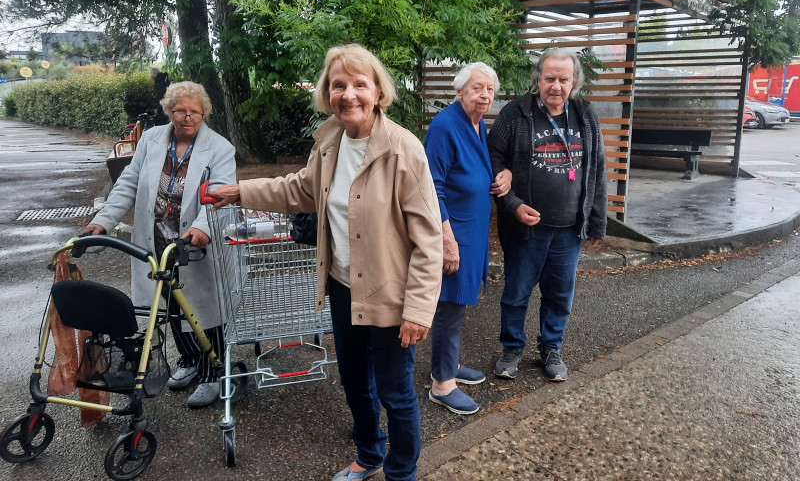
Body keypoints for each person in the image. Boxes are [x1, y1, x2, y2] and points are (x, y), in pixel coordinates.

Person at [208, 44, 443, 481]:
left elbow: (428, 238)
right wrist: (241, 191)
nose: (348, 94)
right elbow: (300, 189)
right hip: (342, 285)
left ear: (377, 92)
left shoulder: (402, 150)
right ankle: (369, 455)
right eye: (339, 85)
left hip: (390, 295)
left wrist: (418, 309)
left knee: (395, 392)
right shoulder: (330, 141)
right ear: (327, 92)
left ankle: (401, 473)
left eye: (359, 84)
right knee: (355, 383)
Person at [83, 81, 236, 408]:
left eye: (195, 111)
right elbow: (127, 185)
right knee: (168, 305)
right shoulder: (152, 140)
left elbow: (220, 195)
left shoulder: (219, 148)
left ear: (204, 112)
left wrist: (203, 228)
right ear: (169, 111)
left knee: (204, 309)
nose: (188, 117)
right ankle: (190, 359)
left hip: (195, 244)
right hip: (156, 242)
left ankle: (213, 372)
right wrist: (103, 221)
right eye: (180, 110)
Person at [487, 47, 607, 382]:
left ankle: (551, 348)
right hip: (526, 229)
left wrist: (597, 219)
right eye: (549, 78)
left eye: (563, 79)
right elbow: (492, 158)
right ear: (537, 79)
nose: (556, 85)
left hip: (568, 229)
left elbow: (597, 168)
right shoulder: (516, 113)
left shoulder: (585, 114)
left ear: (575, 82)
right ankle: (511, 348)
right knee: (516, 293)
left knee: (559, 295)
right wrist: (511, 203)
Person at [423, 62, 511, 415]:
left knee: (457, 305)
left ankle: (450, 364)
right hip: (454, 231)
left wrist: (503, 174)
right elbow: (432, 186)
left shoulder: (477, 124)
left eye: (489, 89)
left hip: (471, 231)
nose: (485, 95)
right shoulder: (446, 125)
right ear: (459, 91)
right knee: (449, 305)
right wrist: (447, 238)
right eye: (477, 88)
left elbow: (479, 169)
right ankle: (442, 384)